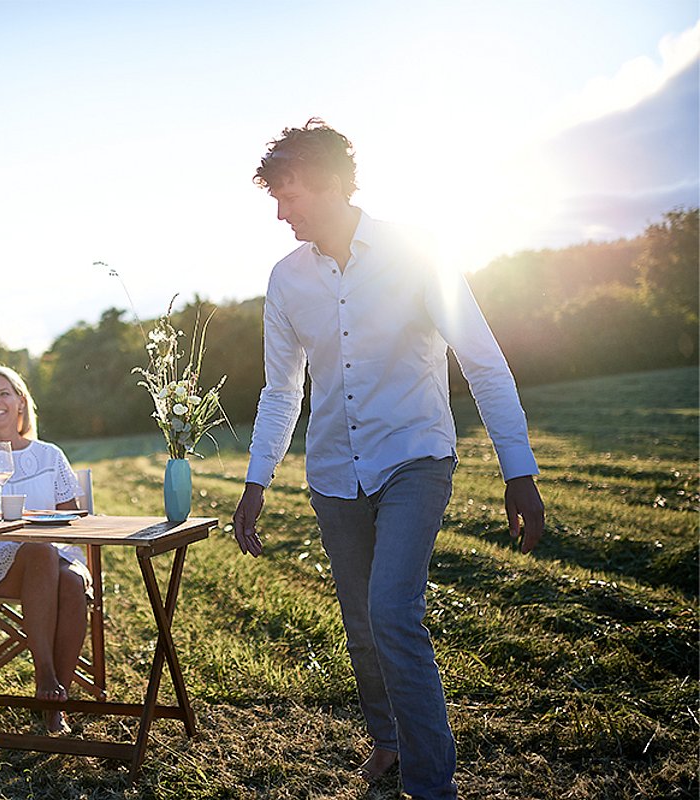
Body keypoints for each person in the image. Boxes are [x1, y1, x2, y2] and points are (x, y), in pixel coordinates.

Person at [231, 119, 545, 800]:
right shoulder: (286, 281)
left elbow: (483, 362)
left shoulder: (417, 251)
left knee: (392, 612)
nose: (282, 214)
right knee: (360, 625)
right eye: (276, 201)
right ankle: (388, 740)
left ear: (333, 185)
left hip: (414, 457)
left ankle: (431, 786)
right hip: (335, 473)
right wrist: (257, 481)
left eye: (291, 197)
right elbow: (281, 390)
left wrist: (519, 471)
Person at [0, 362, 88, 734]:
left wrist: (33, 522)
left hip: (52, 557)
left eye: (4, 393)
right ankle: (45, 675)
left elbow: (71, 520)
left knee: (72, 580)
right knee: (38, 550)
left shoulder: (49, 455)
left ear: (21, 403)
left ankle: (57, 704)